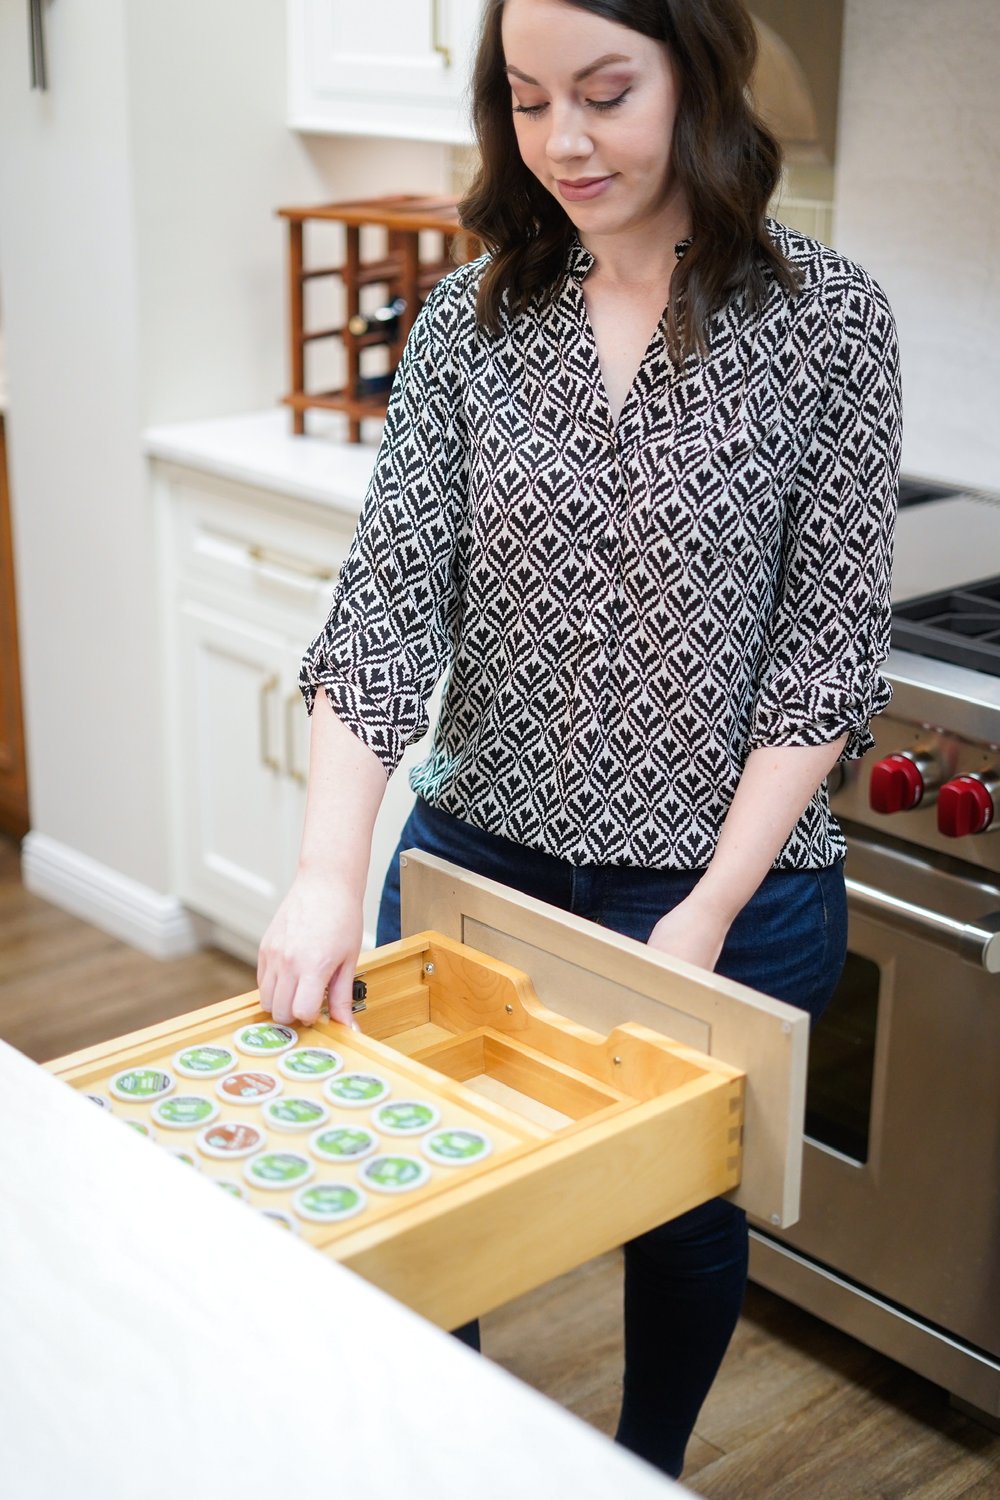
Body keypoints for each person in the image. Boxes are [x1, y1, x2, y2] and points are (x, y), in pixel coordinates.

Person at [258, 0, 901, 1478]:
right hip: (482, 869)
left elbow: (822, 656)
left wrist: (709, 913)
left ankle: (645, 1466)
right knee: (440, 1203)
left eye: (606, 93)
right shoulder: (468, 324)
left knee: (684, 1227)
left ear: (697, 75)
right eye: (529, 97)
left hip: (725, 893)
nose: (563, 141)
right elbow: (387, 609)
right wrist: (323, 872)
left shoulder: (827, 322)